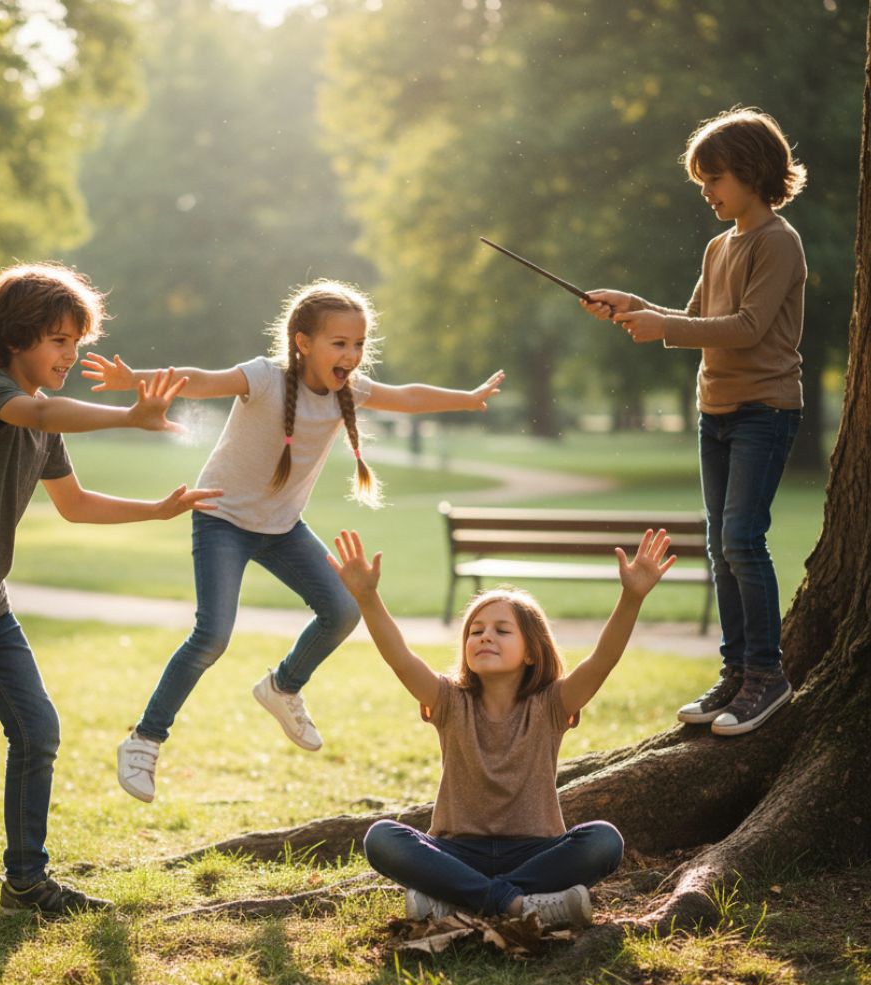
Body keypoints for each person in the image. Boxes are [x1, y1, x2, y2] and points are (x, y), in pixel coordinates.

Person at [0, 262, 222, 951]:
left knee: (37, 730)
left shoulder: (45, 422)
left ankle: (27, 884)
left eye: (76, 342)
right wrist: (129, 416)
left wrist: (157, 510)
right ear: (15, 338)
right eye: (59, 340)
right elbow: (35, 411)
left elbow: (75, 503)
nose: (70, 355)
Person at [85, 279, 505, 804]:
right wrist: (135, 379)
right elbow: (202, 380)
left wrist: (466, 398)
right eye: (339, 343)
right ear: (303, 342)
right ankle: (145, 739)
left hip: (282, 528)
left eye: (358, 344)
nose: (351, 354)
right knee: (212, 636)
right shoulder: (264, 377)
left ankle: (283, 686)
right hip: (222, 521)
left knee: (343, 609)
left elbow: (407, 396)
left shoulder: (350, 390)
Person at [581, 107, 807, 737]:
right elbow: (693, 318)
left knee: (742, 539)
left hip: (764, 410)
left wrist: (663, 327)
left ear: (753, 172)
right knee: (720, 544)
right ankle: (735, 674)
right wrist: (634, 306)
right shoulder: (718, 246)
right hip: (717, 413)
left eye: (715, 179)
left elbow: (747, 328)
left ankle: (767, 675)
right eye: (702, 181)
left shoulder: (778, 242)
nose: (707, 192)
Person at [327, 527, 675, 928]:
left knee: (604, 840)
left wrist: (631, 598)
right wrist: (367, 599)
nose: (485, 637)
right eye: (475, 631)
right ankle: (519, 904)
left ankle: (457, 900)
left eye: (501, 630)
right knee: (382, 838)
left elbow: (601, 661)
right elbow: (401, 659)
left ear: (531, 652)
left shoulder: (551, 705)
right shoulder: (449, 700)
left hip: (535, 854)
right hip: (456, 853)